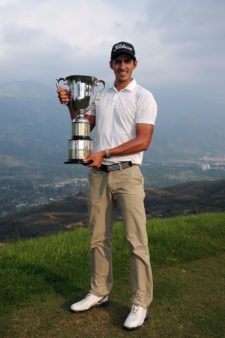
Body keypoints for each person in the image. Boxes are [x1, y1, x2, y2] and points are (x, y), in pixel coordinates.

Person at [57, 41, 157, 330]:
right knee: (97, 238)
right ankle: (99, 292)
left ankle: (140, 302)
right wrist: (70, 106)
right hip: (99, 175)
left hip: (127, 174)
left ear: (135, 64)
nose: (122, 66)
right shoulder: (100, 96)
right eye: (118, 61)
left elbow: (143, 141)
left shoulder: (144, 96)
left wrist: (107, 152)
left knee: (136, 241)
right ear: (111, 64)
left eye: (127, 61)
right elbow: (84, 127)